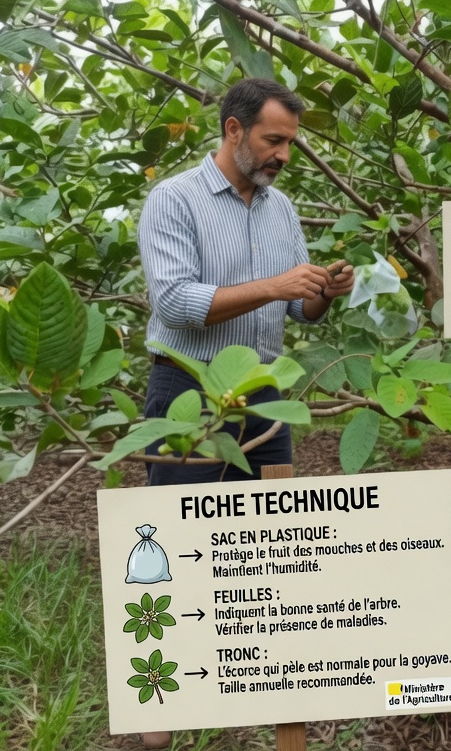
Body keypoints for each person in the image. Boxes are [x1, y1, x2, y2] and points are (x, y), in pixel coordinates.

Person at [135, 78, 354, 747]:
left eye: (290, 142)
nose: (284, 154)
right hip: (189, 389)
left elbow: (298, 309)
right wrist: (276, 285)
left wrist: (323, 291)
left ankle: (272, 686)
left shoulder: (281, 209)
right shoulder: (174, 199)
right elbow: (175, 304)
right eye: (273, 139)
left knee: (274, 545)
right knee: (174, 544)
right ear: (233, 130)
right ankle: (161, 705)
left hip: (264, 393)